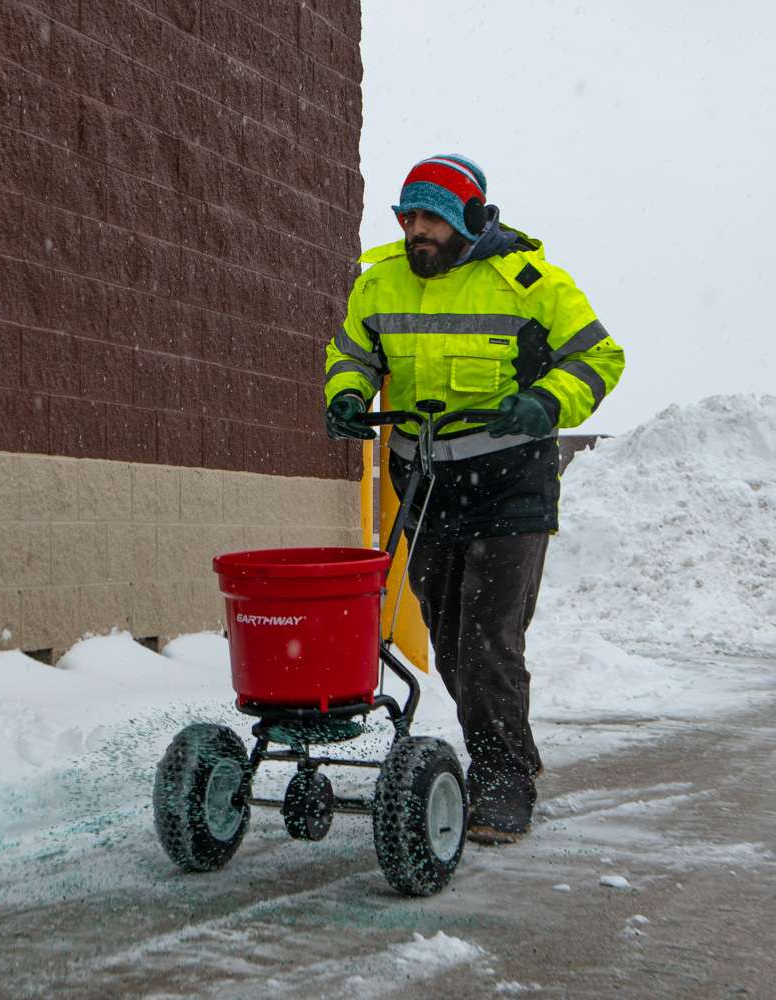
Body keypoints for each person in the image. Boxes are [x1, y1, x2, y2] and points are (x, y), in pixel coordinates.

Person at [322, 154, 625, 845]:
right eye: (408, 217)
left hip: (511, 483)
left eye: (430, 217)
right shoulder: (382, 283)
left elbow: (599, 357)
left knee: (489, 637)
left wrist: (548, 399)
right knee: (452, 642)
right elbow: (352, 351)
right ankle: (508, 749)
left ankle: (501, 777)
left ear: (467, 216)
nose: (416, 231)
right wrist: (344, 393)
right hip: (427, 482)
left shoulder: (530, 283)